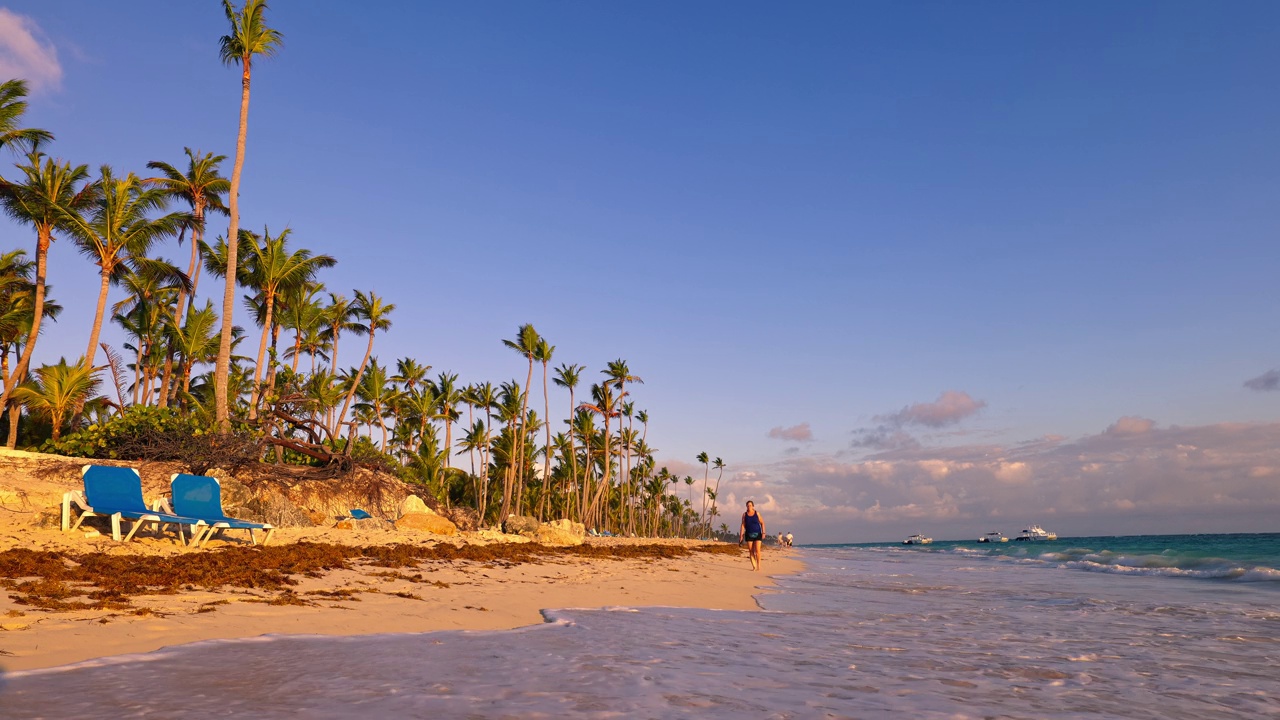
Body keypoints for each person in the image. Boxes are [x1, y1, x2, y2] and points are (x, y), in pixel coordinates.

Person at [739, 500, 766, 571]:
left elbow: (762, 523)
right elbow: (743, 525)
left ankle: (758, 566)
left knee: (757, 551)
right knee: (751, 551)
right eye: (748, 505)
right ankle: (754, 566)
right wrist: (741, 536)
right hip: (749, 534)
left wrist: (763, 532)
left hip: (757, 534)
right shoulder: (744, 515)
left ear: (753, 506)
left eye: (750, 505)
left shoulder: (757, 513)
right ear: (746, 506)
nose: (749, 507)